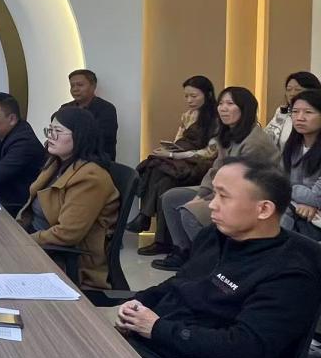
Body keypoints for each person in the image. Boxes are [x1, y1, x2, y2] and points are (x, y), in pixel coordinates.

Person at [115, 158, 321, 358]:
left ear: (263, 209)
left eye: (224, 196)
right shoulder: (214, 237)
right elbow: (180, 283)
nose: (212, 204)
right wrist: (139, 303)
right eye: (214, 194)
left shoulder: (290, 275)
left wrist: (157, 328)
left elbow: (247, 348)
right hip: (158, 351)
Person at [151, 86, 280, 270]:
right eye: (221, 103)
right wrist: (201, 194)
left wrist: (210, 199)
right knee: (170, 198)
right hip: (224, 188)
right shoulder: (227, 134)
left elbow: (241, 183)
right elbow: (216, 168)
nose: (223, 108)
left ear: (245, 109)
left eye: (230, 104)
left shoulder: (254, 141)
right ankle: (183, 251)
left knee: (190, 213)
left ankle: (212, 263)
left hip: (249, 195)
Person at [17, 107, 119, 289]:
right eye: (49, 130)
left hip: (63, 258)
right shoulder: (56, 163)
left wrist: (23, 242)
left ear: (80, 136)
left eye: (58, 131)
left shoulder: (90, 177)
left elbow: (67, 234)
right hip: (40, 243)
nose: (50, 136)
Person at [127, 76, 218, 234]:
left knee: (160, 172)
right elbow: (179, 140)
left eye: (193, 96)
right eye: (186, 96)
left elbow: (210, 153)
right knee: (160, 175)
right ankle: (156, 234)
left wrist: (173, 155)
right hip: (182, 161)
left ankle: (144, 217)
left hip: (201, 164)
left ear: (208, 94)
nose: (189, 100)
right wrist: (170, 151)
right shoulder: (187, 115)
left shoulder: (216, 119)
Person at [279, 89, 321, 240]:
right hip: (293, 211)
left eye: (308, 112)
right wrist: (301, 201)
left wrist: (289, 189)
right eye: (295, 112)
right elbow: (278, 181)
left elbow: (316, 198)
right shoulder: (292, 146)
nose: (300, 118)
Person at [59, 69, 118, 161]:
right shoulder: (65, 109)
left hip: (97, 160)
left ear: (93, 86)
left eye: (80, 85)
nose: (75, 89)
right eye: (72, 86)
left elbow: (100, 139)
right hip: (68, 159)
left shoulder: (106, 109)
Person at [265, 71, 321, 149]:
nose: (292, 94)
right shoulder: (282, 111)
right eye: (289, 89)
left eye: (298, 89)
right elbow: (267, 139)